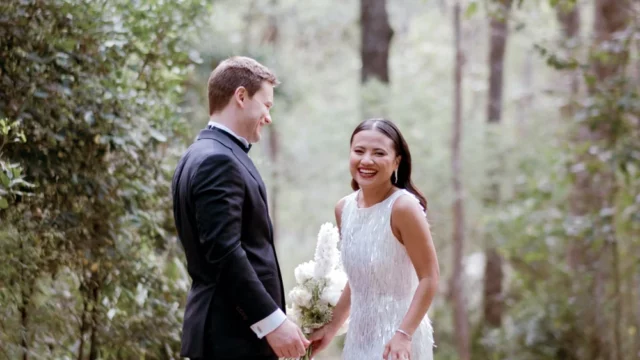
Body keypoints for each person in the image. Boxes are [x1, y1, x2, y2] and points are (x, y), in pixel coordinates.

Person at [171, 56, 309, 360]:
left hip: (225, 334)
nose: (268, 117)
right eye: (267, 105)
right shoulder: (217, 160)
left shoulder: (200, 153)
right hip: (231, 338)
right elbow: (224, 253)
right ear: (242, 96)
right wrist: (273, 323)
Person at [309, 119, 440, 360]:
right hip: (358, 340)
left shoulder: (403, 207)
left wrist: (404, 334)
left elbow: (430, 277)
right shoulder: (343, 209)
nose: (366, 160)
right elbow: (359, 280)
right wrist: (331, 327)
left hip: (400, 342)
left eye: (379, 153)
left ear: (396, 161)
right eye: (359, 151)